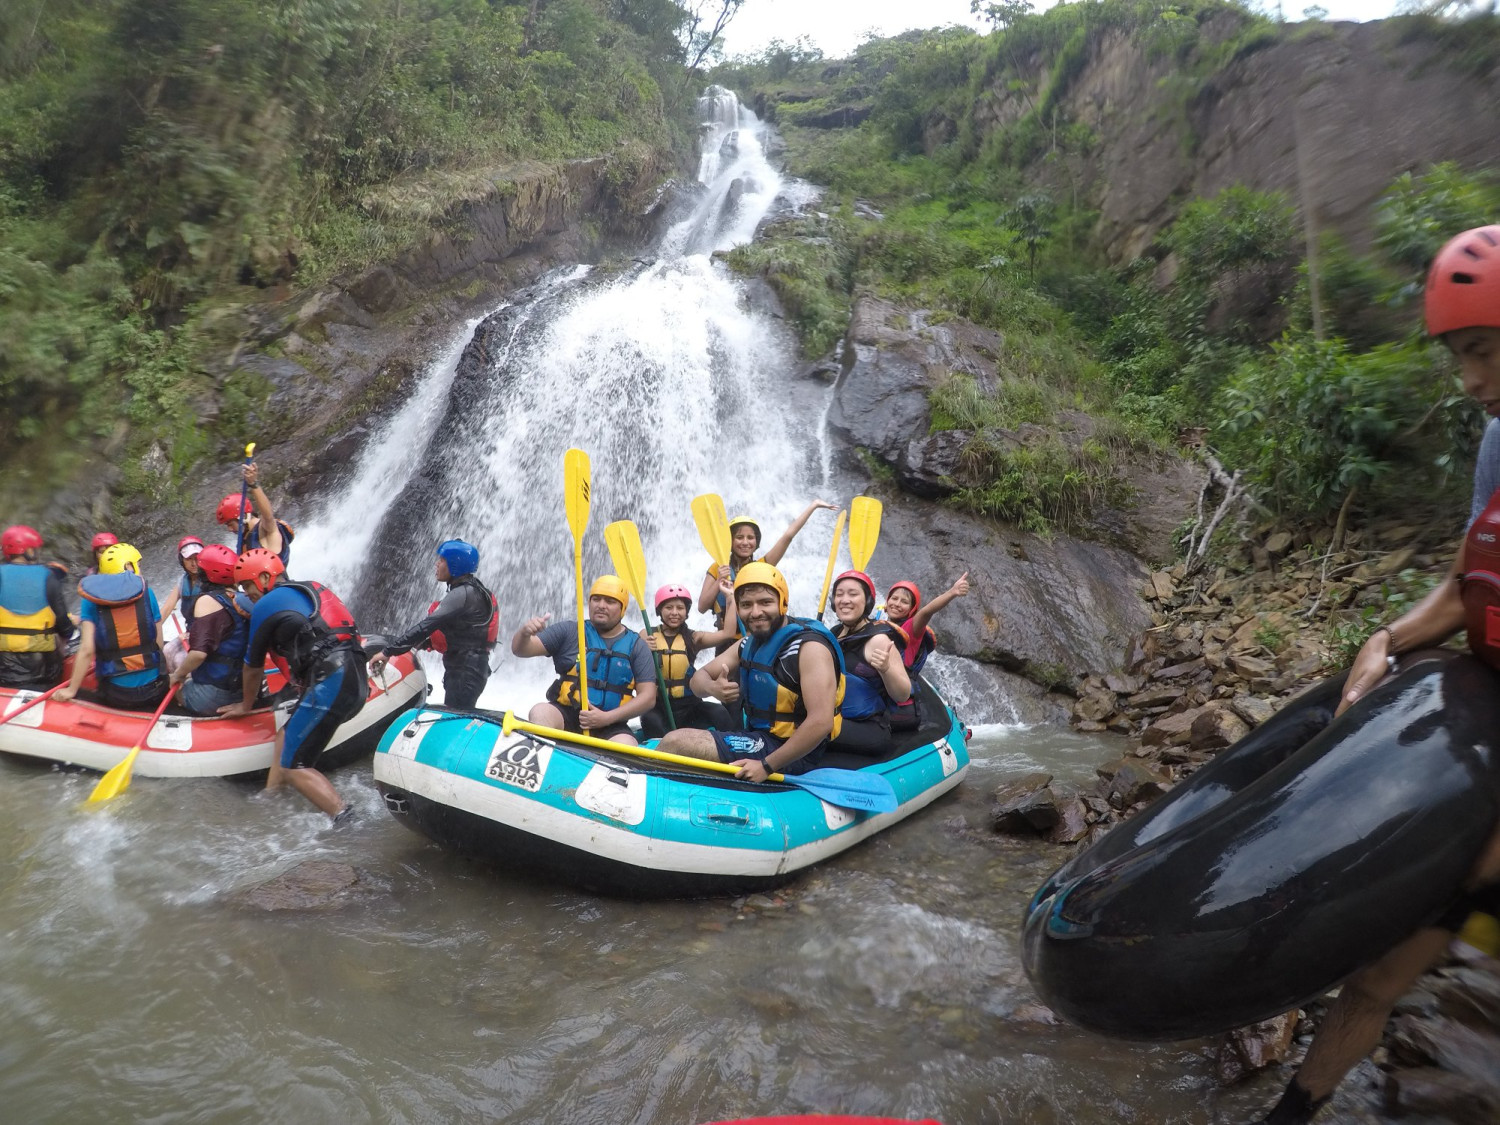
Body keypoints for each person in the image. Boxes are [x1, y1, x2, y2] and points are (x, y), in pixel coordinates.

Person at [1248, 225, 1500, 1124]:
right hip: (1480, 752)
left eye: (1483, 350)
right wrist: (1388, 636)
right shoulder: (1497, 443)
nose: (1468, 380)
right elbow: (1469, 581)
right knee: (1377, 978)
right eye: (1459, 356)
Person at [658, 561, 845, 780]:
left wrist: (766, 766)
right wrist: (712, 688)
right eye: (746, 604)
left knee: (675, 743)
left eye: (765, 602)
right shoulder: (749, 643)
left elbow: (821, 722)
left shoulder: (809, 648)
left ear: (783, 603)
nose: (755, 612)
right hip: (760, 738)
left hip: (795, 751)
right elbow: (698, 679)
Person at [216, 548, 365, 821]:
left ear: (264, 578)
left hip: (331, 680)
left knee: (294, 766)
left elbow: (252, 667)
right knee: (285, 736)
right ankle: (270, 799)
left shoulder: (266, 605)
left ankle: (347, 820)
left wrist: (245, 705)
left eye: (247, 585)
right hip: (354, 677)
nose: (246, 593)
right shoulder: (309, 588)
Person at [510, 575, 658, 745]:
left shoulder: (637, 646)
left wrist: (606, 718)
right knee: (540, 711)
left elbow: (648, 697)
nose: (601, 605)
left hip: (611, 723)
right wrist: (524, 633)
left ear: (622, 609)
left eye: (610, 601)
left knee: (627, 743)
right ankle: (543, 753)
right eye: (596, 599)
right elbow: (521, 650)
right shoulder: (569, 631)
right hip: (566, 713)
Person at [369, 539, 498, 710]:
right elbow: (465, 634)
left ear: (455, 565)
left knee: (453, 716)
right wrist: (425, 643)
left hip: (466, 674)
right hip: (468, 671)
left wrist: (387, 652)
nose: (437, 564)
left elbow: (425, 627)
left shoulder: (463, 594)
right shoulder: (472, 590)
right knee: (453, 714)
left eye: (442, 560)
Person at [55, 543, 169, 710]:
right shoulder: (148, 593)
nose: (140, 569)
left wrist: (71, 690)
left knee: (89, 690)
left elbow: (87, 650)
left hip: (118, 694)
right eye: (137, 564)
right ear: (128, 566)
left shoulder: (90, 599)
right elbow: (159, 644)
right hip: (155, 689)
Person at [696, 501, 839, 631]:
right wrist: (719, 580)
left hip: (754, 637)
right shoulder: (718, 567)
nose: (745, 542)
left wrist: (813, 506)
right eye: (739, 537)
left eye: (750, 538)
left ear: (756, 542)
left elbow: (788, 537)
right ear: (730, 542)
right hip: (726, 638)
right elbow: (702, 607)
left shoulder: (761, 567)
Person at [639, 581, 739, 739]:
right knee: (649, 719)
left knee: (719, 712)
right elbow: (634, 661)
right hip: (659, 707)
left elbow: (728, 633)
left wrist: (730, 598)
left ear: (686, 612)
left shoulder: (694, 638)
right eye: (668, 607)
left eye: (680, 608)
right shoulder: (647, 635)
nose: (674, 613)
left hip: (690, 707)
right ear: (659, 610)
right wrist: (643, 648)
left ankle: (729, 748)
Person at [826, 570, 910, 755]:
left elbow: (903, 694)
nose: (845, 600)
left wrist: (886, 669)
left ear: (868, 601)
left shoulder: (878, 640)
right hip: (835, 717)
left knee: (809, 727)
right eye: (839, 594)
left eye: (853, 594)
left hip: (869, 728)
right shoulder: (834, 633)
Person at [167, 544, 253, 716]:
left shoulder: (207, 601)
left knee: (168, 686)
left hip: (217, 693)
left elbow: (198, 654)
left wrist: (177, 675)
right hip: (244, 687)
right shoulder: (244, 598)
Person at [883, 573, 970, 731]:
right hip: (882, 696)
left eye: (904, 602)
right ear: (887, 601)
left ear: (912, 609)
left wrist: (952, 592)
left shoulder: (911, 627)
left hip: (897, 705)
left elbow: (926, 612)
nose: (897, 604)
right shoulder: (879, 625)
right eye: (894, 598)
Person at [0, 525, 74, 688]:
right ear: (28, 551)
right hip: (42, 668)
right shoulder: (48, 576)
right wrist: (69, 632)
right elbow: (63, 623)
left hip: (3, 667)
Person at [217, 461, 294, 564]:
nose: (229, 529)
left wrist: (253, 484)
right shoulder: (244, 538)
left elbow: (268, 517)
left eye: (230, 524)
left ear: (243, 517)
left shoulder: (264, 529)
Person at [158, 536, 207, 626]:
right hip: (192, 629)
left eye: (197, 558)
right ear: (182, 561)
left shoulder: (211, 580)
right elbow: (166, 609)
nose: (194, 563)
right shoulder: (182, 582)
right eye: (189, 559)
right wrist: (154, 628)